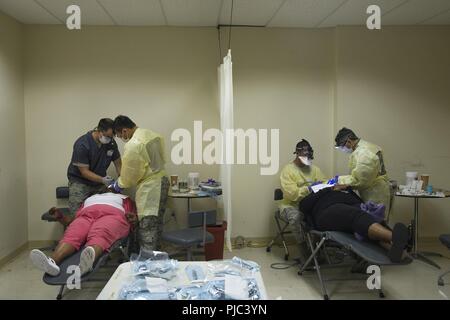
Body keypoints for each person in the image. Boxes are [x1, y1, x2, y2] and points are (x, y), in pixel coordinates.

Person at [30, 192, 137, 276]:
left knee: (100, 234)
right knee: (72, 234)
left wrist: (133, 219)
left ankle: (86, 264)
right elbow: (71, 221)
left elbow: (134, 219)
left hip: (112, 214)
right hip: (85, 216)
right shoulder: (89, 199)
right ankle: (51, 262)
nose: (108, 189)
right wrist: (60, 217)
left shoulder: (125, 198)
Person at [299, 187, 409, 262]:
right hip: (328, 211)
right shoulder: (318, 193)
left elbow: (359, 201)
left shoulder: (347, 191)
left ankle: (394, 249)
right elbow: (303, 206)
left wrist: (347, 190)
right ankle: (394, 237)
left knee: (365, 220)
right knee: (356, 216)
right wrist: (326, 189)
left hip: (354, 209)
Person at [110, 115, 169, 252]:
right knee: (157, 224)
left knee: (147, 227)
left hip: (151, 187)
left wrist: (117, 185)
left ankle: (148, 264)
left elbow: (131, 174)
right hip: (162, 181)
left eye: (120, 135)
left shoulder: (134, 144)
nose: (122, 138)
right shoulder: (153, 135)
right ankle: (157, 259)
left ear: (124, 131)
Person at [279, 139, 328, 260]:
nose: (308, 161)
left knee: (324, 215)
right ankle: (305, 252)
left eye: (309, 158)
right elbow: (292, 194)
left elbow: (323, 183)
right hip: (291, 205)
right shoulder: (288, 170)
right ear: (297, 154)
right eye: (305, 157)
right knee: (296, 218)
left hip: (311, 204)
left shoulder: (314, 169)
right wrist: (309, 188)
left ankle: (317, 249)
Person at [67, 118, 122, 217]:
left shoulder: (111, 144)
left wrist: (121, 179)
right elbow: (84, 172)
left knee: (105, 211)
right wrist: (103, 180)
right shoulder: (83, 144)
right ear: (99, 131)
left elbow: (118, 163)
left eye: (112, 136)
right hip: (80, 182)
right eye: (108, 136)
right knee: (77, 216)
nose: (110, 139)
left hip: (98, 183)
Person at [333, 127, 390, 210]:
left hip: (375, 194)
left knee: (376, 219)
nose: (343, 149)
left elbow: (361, 179)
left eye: (342, 147)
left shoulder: (364, 152)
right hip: (374, 190)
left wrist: (338, 180)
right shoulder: (364, 148)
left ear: (349, 141)